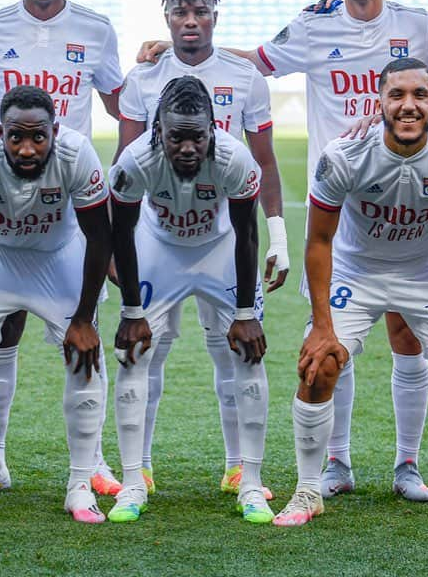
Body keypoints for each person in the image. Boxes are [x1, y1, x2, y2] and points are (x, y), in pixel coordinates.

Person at [138, 0, 428, 501]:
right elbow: (259, 62)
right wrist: (177, 50)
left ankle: (407, 465)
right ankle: (337, 462)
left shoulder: (416, 25)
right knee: (331, 345)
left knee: (406, 336)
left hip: (404, 192)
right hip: (339, 197)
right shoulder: (316, 23)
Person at [273, 58, 428, 527]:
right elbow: (318, 242)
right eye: (397, 96)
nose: (408, 105)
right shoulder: (345, 155)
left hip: (427, 273)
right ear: (380, 103)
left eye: (419, 95)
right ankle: (308, 490)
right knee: (319, 365)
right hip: (356, 272)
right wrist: (322, 326)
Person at [0, 0, 124, 497]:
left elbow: (124, 106)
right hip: (4, 199)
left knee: (82, 333)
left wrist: (115, 171)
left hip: (67, 204)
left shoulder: (97, 29)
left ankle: (94, 462)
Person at [116, 0, 287, 498]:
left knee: (235, 351)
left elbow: (264, 160)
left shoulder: (245, 77)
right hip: (158, 235)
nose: (191, 22)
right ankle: (137, 470)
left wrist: (276, 235)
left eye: (201, 13)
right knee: (143, 351)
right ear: (166, 17)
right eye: (180, 14)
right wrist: (115, 258)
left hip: (223, 236)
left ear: (216, 15)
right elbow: (124, 164)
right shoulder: (141, 77)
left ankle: (241, 468)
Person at [0, 85, 112, 524]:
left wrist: (85, 319)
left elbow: (100, 235)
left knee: (86, 356)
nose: (27, 148)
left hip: (56, 255)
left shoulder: (77, 154)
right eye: (16, 137)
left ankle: (80, 484)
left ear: (55, 131)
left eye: (38, 137)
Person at [109, 75, 272, 524]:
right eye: (175, 136)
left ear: (213, 131)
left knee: (248, 357)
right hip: (160, 249)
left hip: (219, 250)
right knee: (134, 355)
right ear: (157, 129)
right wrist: (131, 311)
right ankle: (133, 478)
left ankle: (249, 480)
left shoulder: (235, 159)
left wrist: (244, 313)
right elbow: (120, 231)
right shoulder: (134, 161)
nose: (186, 148)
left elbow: (246, 234)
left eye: (196, 137)